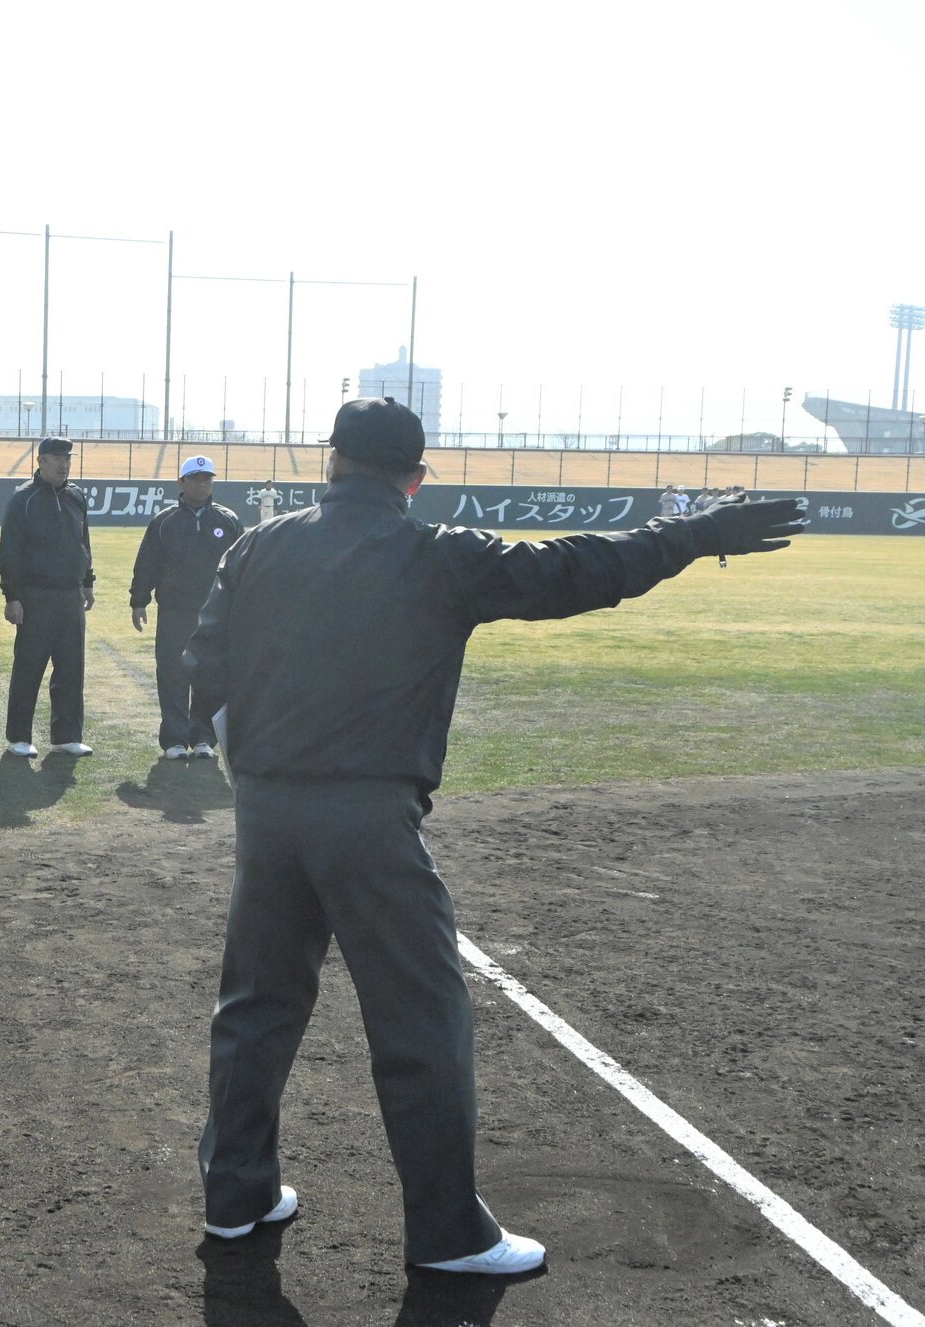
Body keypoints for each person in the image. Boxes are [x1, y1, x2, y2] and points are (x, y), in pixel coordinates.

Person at [185, 397, 804, 1275]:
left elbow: (203, 663)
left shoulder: (258, 545)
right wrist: (694, 532)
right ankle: (448, 1235)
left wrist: (247, 764)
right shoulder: (437, 554)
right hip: (369, 817)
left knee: (256, 1004)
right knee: (421, 1019)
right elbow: (582, 569)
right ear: (414, 478)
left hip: (266, 807)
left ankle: (236, 1194)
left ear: (333, 461)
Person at [128, 455, 243, 760]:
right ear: (181, 482)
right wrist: (139, 600)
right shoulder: (165, 521)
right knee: (173, 674)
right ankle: (175, 739)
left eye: (207, 479)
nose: (202, 484)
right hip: (175, 611)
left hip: (215, 614)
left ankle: (204, 738)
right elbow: (147, 563)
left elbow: (241, 567)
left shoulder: (228, 520)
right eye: (195, 479)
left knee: (210, 676)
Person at [0, 435, 95, 758]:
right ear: (41, 461)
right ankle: (18, 737)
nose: (64, 465)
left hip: (71, 596)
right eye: (57, 459)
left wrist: (88, 582)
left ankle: (67, 735)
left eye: (68, 459)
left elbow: (84, 542)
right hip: (35, 596)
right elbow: (9, 551)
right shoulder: (23, 499)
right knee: (29, 667)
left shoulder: (76, 496)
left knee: (71, 668)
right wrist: (12, 596)